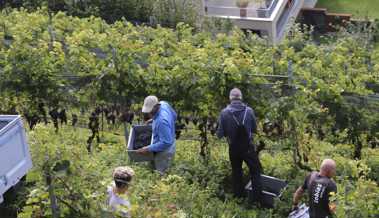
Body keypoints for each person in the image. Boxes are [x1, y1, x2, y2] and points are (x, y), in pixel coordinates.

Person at [216, 88, 263, 203]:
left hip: (233, 148)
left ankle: (238, 198)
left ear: (230, 98)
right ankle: (256, 200)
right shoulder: (249, 111)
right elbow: (254, 130)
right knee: (256, 171)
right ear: (241, 98)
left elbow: (219, 134)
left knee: (236, 172)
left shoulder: (224, 113)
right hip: (247, 147)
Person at [136, 96, 177, 174]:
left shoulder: (161, 121)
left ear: (156, 106)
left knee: (161, 174)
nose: (149, 112)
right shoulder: (164, 104)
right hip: (164, 141)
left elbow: (166, 142)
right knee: (153, 170)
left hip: (164, 151)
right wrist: (153, 120)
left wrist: (148, 148)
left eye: (151, 109)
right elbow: (174, 116)